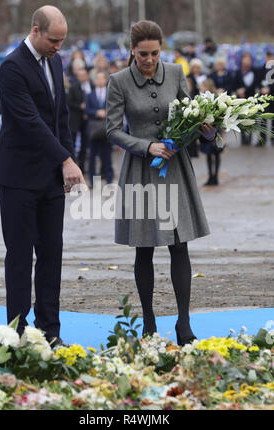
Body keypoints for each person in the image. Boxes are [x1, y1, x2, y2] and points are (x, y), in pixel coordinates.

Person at [106, 20, 216, 346]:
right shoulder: (118, 81)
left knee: (179, 244)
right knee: (144, 248)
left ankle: (184, 324)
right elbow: (113, 130)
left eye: (155, 53)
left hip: (175, 169)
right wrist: (145, 145)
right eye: (143, 54)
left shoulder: (178, 73)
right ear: (132, 51)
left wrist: (205, 129)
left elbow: (192, 114)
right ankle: (149, 324)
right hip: (140, 171)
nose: (149, 60)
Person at [0, 6, 85, 346]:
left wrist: (69, 160)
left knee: (52, 254)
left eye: (62, 40)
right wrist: (64, 159)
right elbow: (30, 121)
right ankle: (15, 334)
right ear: (35, 31)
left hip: (50, 178)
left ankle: (50, 331)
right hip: (18, 178)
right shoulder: (11, 67)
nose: (58, 47)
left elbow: (60, 117)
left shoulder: (55, 61)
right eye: (53, 40)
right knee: (19, 256)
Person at [86, 70, 113, 188]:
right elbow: (87, 110)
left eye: (102, 78)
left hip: (107, 128)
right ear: (94, 80)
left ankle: (109, 179)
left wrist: (107, 112)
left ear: (106, 80)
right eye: (97, 78)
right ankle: (92, 181)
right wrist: (97, 112)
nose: (99, 80)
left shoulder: (111, 94)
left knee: (107, 154)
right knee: (92, 155)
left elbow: (116, 108)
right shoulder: (90, 95)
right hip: (94, 129)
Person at [67, 68, 94, 173]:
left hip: (88, 120)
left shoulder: (92, 86)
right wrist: (80, 106)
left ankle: (82, 167)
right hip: (75, 120)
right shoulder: (74, 87)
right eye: (80, 76)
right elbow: (69, 102)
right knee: (72, 143)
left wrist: (88, 109)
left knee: (85, 144)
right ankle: (73, 165)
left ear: (87, 76)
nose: (82, 77)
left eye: (84, 75)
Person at [198, 78, 224, 186]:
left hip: (214, 129)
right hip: (205, 130)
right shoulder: (200, 98)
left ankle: (215, 177)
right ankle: (210, 176)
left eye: (203, 86)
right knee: (209, 154)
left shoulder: (216, 98)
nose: (201, 88)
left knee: (216, 153)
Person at [234, 52, 260, 146]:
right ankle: (243, 139)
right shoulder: (238, 72)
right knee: (241, 119)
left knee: (251, 119)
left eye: (248, 59)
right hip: (241, 99)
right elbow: (234, 84)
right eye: (245, 59)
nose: (246, 62)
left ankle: (249, 138)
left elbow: (257, 84)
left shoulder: (255, 71)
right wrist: (238, 90)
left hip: (252, 99)